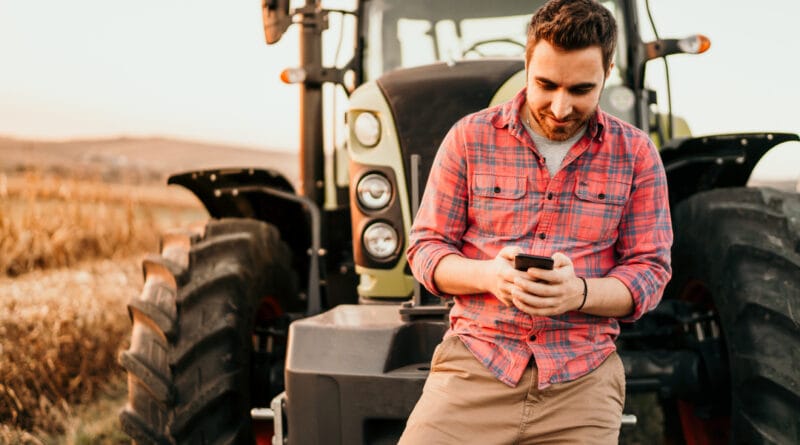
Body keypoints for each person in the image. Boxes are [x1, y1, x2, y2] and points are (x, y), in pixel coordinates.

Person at [400, 0, 673, 443]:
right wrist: (490, 276)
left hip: (582, 379)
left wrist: (578, 293)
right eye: (546, 85)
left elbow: (650, 272)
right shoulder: (469, 137)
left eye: (581, 90)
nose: (561, 108)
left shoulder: (637, 154)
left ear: (606, 73)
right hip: (475, 366)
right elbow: (426, 249)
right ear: (527, 64)